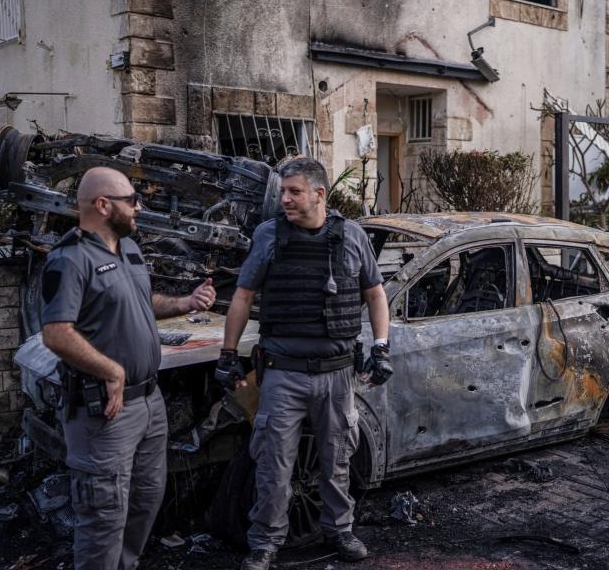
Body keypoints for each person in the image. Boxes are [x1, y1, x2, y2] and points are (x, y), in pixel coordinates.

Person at [215, 157, 392, 569]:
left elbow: (375, 293)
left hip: (337, 376)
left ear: (319, 194)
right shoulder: (269, 236)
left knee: (337, 459)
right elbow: (242, 296)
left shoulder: (351, 237)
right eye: (282, 192)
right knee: (273, 463)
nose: (285, 200)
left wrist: (381, 346)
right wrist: (228, 353)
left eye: (294, 192)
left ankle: (340, 531)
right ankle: (265, 543)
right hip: (283, 374)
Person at [41, 166, 216, 570]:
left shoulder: (129, 249)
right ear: (103, 205)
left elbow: (141, 301)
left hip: (149, 402)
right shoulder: (69, 259)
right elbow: (56, 333)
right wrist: (111, 370)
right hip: (106, 411)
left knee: (146, 498)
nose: (139, 207)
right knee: (104, 515)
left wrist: (185, 303)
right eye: (132, 199)